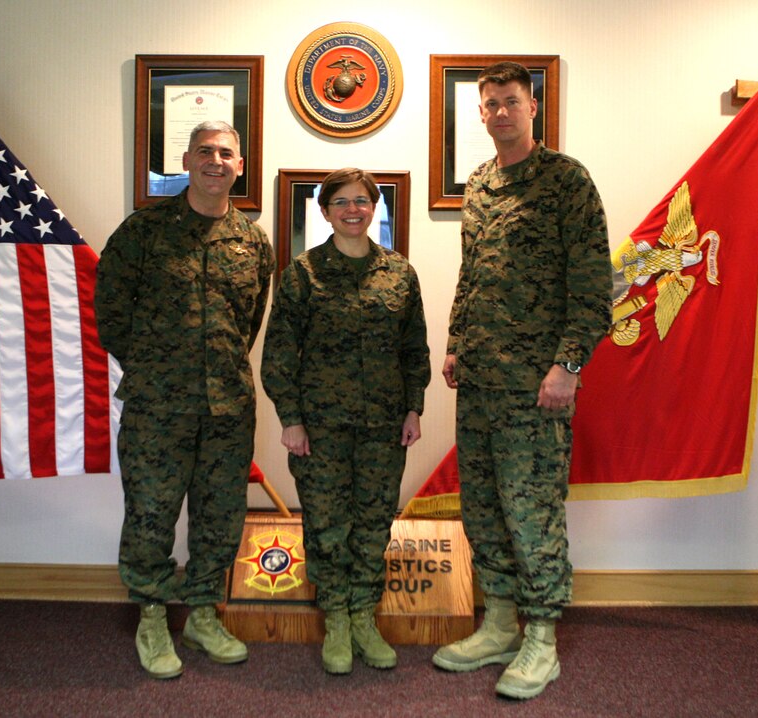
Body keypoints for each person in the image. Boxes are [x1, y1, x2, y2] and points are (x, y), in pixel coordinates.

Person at [432, 62, 612, 700]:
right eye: (490, 105)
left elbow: (594, 288)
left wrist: (568, 367)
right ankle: (501, 621)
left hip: (536, 386)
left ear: (533, 108)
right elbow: (473, 272)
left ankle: (541, 637)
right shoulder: (479, 184)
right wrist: (455, 344)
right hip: (480, 383)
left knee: (532, 511)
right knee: (483, 509)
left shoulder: (566, 182)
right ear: (480, 114)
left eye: (511, 102)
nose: (500, 113)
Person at [94, 120, 275, 680]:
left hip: (227, 407)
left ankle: (201, 612)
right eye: (205, 151)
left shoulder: (253, 242)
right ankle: (152, 613)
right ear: (187, 160)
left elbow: (250, 323)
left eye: (226, 153)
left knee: (220, 517)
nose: (215, 161)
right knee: (151, 514)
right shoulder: (143, 232)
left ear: (240, 166)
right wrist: (155, 368)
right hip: (157, 407)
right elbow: (110, 315)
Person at [261, 168, 431, 675]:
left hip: (384, 426)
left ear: (374, 207)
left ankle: (364, 616)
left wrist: (414, 406)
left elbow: (413, 347)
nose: (352, 209)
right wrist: (290, 419)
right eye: (341, 202)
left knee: (374, 523)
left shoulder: (400, 273)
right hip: (320, 428)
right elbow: (279, 353)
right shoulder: (301, 274)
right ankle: (335, 617)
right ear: (324, 210)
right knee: (327, 525)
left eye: (362, 200)